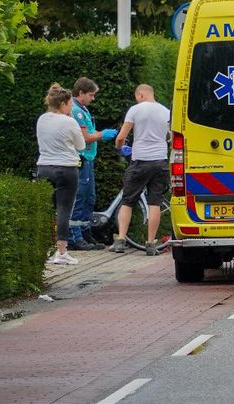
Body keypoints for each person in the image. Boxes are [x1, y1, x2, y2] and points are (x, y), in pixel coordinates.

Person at [112, 84, 172, 254]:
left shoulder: (135, 110)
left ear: (140, 95)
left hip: (140, 161)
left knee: (128, 201)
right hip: (160, 161)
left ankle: (121, 240)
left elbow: (121, 137)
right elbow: (172, 137)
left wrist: (119, 147)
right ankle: (151, 243)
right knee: (155, 203)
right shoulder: (166, 112)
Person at [35, 84, 87, 265]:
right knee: (64, 210)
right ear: (63, 103)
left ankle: (44, 249)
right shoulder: (69, 121)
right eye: (70, 103)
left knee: (46, 209)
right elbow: (81, 145)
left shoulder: (42, 119)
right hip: (66, 168)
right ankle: (62, 251)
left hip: (44, 167)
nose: (72, 106)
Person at [67, 77, 117, 250]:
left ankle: (86, 233)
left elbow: (90, 131)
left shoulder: (83, 109)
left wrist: (100, 133)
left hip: (88, 158)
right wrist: (103, 135)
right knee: (79, 197)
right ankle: (75, 237)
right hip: (81, 159)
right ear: (81, 93)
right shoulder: (76, 111)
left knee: (89, 197)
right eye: (91, 95)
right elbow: (85, 137)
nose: (93, 98)